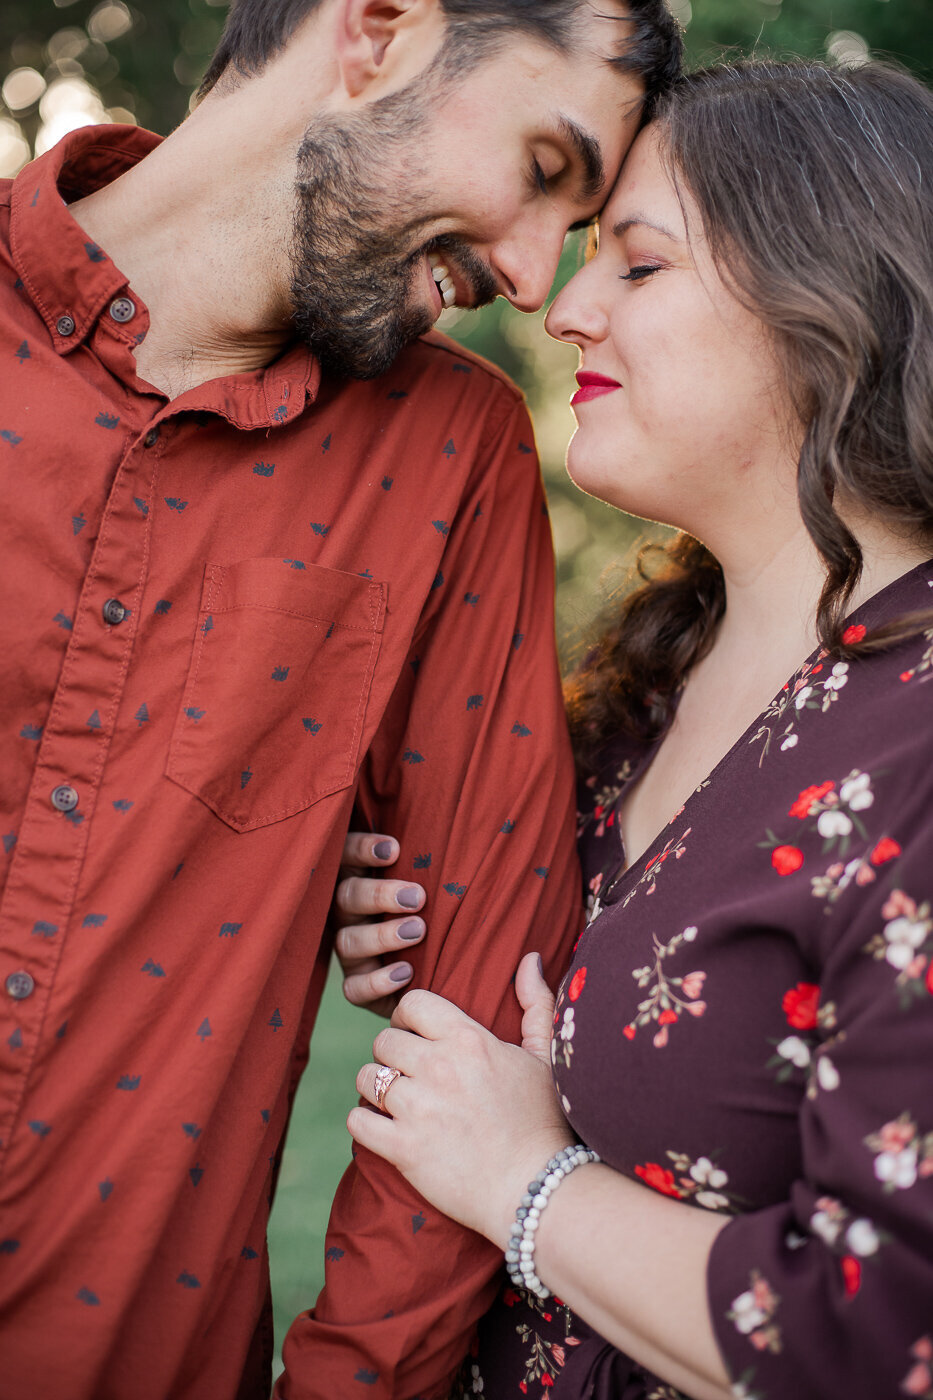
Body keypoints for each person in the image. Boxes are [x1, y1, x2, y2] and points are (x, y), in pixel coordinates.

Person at [0, 2, 684, 1397]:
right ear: (379, 27)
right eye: (543, 170)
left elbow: (478, 1004)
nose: (529, 274)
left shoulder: (451, 461)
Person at [339, 58, 933, 1399]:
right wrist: (432, 929)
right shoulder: (650, 690)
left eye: (639, 264)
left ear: (832, 301)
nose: (562, 308)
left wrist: (523, 1181)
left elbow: (886, 1334)